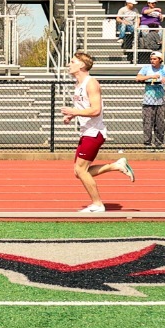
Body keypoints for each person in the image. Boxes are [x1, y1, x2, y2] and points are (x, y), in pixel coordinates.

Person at [56, 51, 137, 213]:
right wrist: (72, 115)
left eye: (72, 62)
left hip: (94, 133)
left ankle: (98, 204)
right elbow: (85, 108)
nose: (69, 64)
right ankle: (116, 165)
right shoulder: (78, 85)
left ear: (82, 65)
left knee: (81, 170)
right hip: (86, 131)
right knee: (79, 172)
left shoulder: (91, 83)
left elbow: (95, 110)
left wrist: (74, 111)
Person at [135, 51, 165, 149]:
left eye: (154, 59)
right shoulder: (146, 68)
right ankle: (147, 143)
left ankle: (159, 143)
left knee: (160, 124)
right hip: (148, 100)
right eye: (151, 59)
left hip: (160, 100)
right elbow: (138, 78)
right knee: (147, 123)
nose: (152, 61)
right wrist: (150, 76)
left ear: (160, 60)